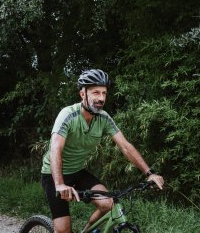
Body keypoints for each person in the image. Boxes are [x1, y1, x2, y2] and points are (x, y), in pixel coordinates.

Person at [41, 69, 165, 233]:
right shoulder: (68, 115)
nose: (101, 98)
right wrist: (60, 184)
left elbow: (125, 146)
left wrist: (149, 173)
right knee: (63, 231)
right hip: (54, 175)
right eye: (96, 92)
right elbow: (55, 148)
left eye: (104, 93)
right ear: (83, 94)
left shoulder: (103, 118)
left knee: (108, 204)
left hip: (77, 171)